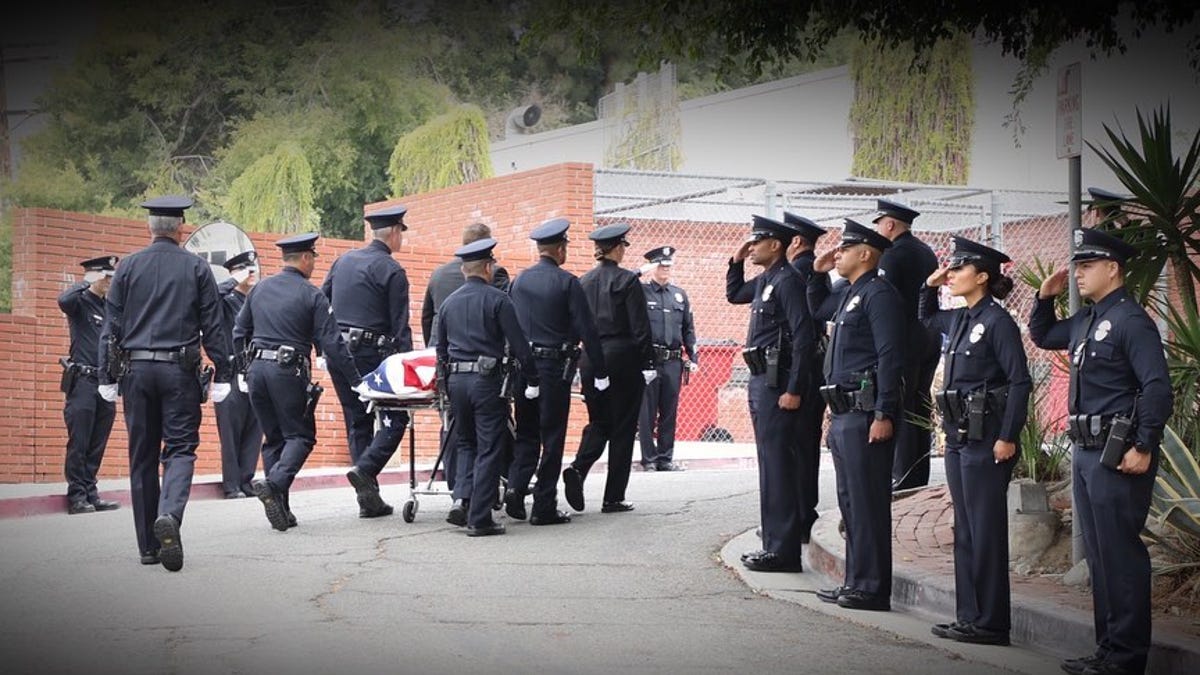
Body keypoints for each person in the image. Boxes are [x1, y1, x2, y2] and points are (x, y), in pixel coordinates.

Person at [1030, 227, 1171, 675]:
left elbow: (1156, 388)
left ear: (1113, 269)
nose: (1078, 274)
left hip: (1119, 453)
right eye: (1077, 266)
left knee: (1121, 556)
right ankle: (1107, 649)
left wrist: (1144, 445)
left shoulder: (1132, 321)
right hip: (1088, 452)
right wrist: (1043, 297)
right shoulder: (1088, 320)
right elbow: (1045, 334)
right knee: (1099, 557)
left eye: (1087, 266)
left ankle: (1127, 657)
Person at [98, 195, 233, 571]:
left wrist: (105, 375)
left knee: (141, 456)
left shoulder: (126, 268)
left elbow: (110, 328)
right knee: (180, 449)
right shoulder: (197, 268)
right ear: (181, 229)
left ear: (149, 228)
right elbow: (213, 327)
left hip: (135, 372)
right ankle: (169, 516)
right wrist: (224, 370)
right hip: (179, 372)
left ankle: (147, 547)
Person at [920, 237, 1032, 647]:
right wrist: (929, 286)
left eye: (959, 269)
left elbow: (1020, 381)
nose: (952, 273)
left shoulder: (997, 321)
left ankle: (991, 622)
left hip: (987, 441)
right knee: (965, 530)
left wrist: (1008, 437)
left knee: (985, 532)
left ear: (982, 276)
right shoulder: (963, 317)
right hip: (959, 437)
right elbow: (928, 319)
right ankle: (969, 617)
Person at [809, 219, 904, 610]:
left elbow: (889, 356)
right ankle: (855, 580)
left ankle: (872, 587)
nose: (837, 255)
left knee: (867, 505)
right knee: (851, 504)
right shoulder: (850, 292)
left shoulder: (878, 294)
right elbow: (818, 308)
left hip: (866, 415)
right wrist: (817, 274)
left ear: (865, 253)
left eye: (844, 249)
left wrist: (884, 411)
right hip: (844, 412)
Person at [238, 233, 360, 532]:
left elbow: (239, 331)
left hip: (256, 370)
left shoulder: (260, 288)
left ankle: (281, 508)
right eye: (314, 258)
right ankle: (275, 484)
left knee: (274, 438)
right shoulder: (312, 294)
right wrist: (356, 380)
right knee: (301, 436)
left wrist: (244, 369)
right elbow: (333, 343)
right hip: (287, 371)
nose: (315, 264)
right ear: (305, 258)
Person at [726, 215, 818, 573]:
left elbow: (804, 336)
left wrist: (794, 388)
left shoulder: (788, 281)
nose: (752, 248)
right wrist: (735, 260)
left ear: (776, 245)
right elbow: (734, 294)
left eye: (757, 242)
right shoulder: (767, 279)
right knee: (770, 464)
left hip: (778, 385)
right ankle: (775, 544)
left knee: (778, 466)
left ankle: (782, 552)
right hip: (760, 379)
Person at [503, 218, 608, 525]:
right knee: (552, 436)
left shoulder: (519, 281)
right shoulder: (567, 282)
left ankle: (515, 487)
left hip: (525, 367)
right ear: (560, 249)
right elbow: (587, 330)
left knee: (526, 432)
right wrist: (600, 371)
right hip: (552, 368)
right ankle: (544, 505)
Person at [435, 237, 538, 536]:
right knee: (489, 446)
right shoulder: (498, 300)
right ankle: (479, 518)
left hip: (456, 382)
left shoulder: (449, 303)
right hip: (486, 382)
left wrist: (446, 383)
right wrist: (532, 379)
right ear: (489, 266)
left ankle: (462, 499)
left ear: (465, 269)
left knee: (466, 442)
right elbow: (519, 346)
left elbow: (440, 349)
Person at [322, 204, 414, 518]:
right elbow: (400, 326)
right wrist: (407, 367)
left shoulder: (342, 261)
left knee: (357, 420)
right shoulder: (392, 270)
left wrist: (324, 347)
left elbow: (321, 303)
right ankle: (366, 469)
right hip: (372, 355)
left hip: (339, 352)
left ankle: (368, 499)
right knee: (396, 418)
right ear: (393, 232)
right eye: (402, 232)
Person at [562, 223, 654, 514]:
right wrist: (649, 362)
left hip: (592, 358)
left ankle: (579, 467)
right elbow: (640, 328)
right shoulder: (628, 281)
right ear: (617, 248)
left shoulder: (583, 281)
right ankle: (613, 496)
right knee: (624, 427)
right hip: (624, 357)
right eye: (623, 246)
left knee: (599, 420)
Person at [420, 222, 510, 493]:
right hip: (484, 366)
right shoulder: (495, 273)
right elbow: (506, 315)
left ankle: (457, 489)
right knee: (490, 432)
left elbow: (427, 317)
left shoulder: (438, 275)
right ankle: (487, 491)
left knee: (452, 426)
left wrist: (437, 353)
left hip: (448, 364)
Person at [872, 198, 940, 490]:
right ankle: (917, 476)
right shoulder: (926, 251)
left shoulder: (892, 255)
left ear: (889, 224)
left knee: (902, 405)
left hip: (904, 338)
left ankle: (902, 477)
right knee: (919, 406)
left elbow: (888, 301)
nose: (877, 230)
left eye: (878, 224)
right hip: (928, 334)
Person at [57, 255, 121, 515]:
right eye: (105, 277)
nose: (109, 282)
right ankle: (77, 496)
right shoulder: (79, 303)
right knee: (80, 441)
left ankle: (91, 493)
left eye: (111, 277)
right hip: (83, 382)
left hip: (105, 383)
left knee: (97, 442)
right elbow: (63, 300)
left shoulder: (110, 308)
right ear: (94, 276)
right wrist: (85, 282)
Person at [783, 212, 830, 541]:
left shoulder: (799, 271)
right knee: (804, 444)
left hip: (802, 368)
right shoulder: (808, 269)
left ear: (796, 241)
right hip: (812, 366)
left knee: (797, 446)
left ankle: (799, 516)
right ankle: (802, 512)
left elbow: (801, 327)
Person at [637, 245, 697, 472]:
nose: (665, 270)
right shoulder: (641, 292)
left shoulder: (679, 295)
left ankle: (665, 457)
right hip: (650, 360)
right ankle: (649, 459)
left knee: (669, 410)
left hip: (672, 361)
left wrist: (693, 356)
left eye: (667, 266)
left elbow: (688, 329)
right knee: (647, 412)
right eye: (660, 266)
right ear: (653, 267)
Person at [214, 250, 262, 499]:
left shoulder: (253, 301)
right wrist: (234, 280)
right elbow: (211, 297)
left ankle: (246, 480)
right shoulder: (225, 300)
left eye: (252, 268)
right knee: (231, 431)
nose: (251, 273)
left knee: (254, 428)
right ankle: (231, 485)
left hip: (253, 371)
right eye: (245, 269)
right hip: (230, 373)